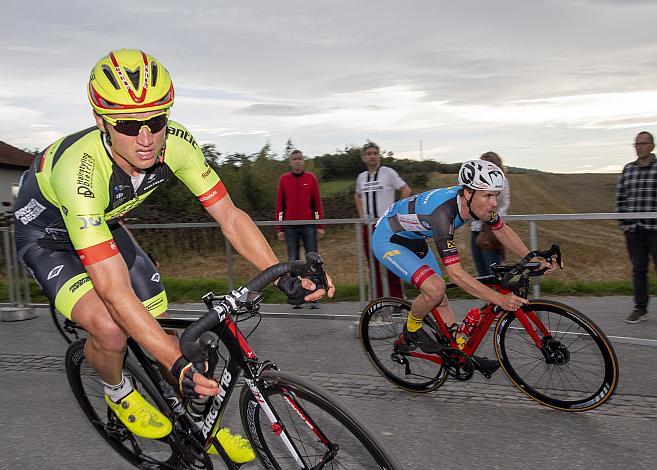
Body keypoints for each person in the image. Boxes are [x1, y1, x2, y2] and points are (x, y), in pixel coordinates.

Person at [12, 49, 334, 464]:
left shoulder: (178, 144)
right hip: (48, 238)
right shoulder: (80, 171)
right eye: (128, 124)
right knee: (112, 328)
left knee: (158, 324)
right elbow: (111, 289)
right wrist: (173, 361)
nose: (145, 138)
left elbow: (231, 218)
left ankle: (204, 427)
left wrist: (279, 273)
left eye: (156, 120)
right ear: (101, 122)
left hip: (101, 225)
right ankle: (117, 392)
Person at [371, 159, 557, 375]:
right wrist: (499, 299)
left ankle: (458, 349)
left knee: (440, 298)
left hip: (415, 238)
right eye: (487, 196)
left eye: (495, 195)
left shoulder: (475, 203)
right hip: (388, 239)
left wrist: (533, 259)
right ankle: (412, 328)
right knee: (435, 288)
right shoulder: (442, 213)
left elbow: (502, 230)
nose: (493, 202)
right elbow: (456, 274)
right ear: (468, 193)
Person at [355, 142, 411, 299]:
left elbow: (406, 190)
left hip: (386, 225)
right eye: (368, 154)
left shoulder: (388, 172)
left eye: (374, 153)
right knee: (372, 264)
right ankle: (378, 300)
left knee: (391, 261)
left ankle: (398, 300)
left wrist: (396, 212)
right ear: (364, 157)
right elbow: (357, 195)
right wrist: (362, 216)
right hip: (369, 225)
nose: (372, 156)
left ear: (379, 156)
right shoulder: (361, 177)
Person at [615, 130, 657, 324]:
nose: (639, 147)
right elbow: (621, 197)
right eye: (636, 144)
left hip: (655, 229)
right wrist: (623, 223)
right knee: (639, 270)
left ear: (652, 146)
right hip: (634, 230)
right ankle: (640, 308)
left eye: (643, 143)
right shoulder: (628, 169)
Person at [275, 149, 324, 308]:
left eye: (299, 158)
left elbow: (317, 204)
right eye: (294, 159)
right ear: (290, 162)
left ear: (303, 161)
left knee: (312, 262)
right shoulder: (284, 179)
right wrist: (279, 228)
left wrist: (320, 225)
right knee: (293, 261)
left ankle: (314, 296)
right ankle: (296, 296)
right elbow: (280, 206)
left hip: (309, 224)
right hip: (290, 227)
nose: (297, 161)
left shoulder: (311, 178)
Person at [470, 151, 510, 276]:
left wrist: (491, 219)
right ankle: (488, 294)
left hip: (491, 231)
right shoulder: (477, 182)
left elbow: (504, 204)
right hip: (475, 229)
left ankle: (500, 295)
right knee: (481, 273)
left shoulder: (502, 181)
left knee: (493, 272)